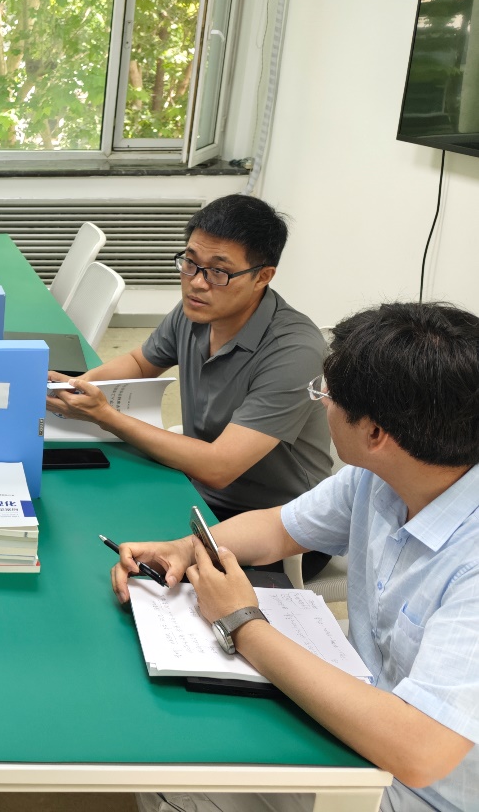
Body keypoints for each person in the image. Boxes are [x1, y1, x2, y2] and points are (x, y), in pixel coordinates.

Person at [116, 302, 479, 812]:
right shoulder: (384, 475)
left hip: (416, 792)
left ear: (376, 434)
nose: (321, 404)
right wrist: (184, 547)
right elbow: (277, 528)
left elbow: (421, 753)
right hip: (357, 721)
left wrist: (241, 622)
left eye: (326, 395)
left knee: (176, 771)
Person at [47, 194, 332, 578]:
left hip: (276, 530)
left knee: (116, 570)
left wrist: (105, 416)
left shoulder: (294, 350)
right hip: (198, 495)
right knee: (80, 522)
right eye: (190, 263)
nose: (197, 282)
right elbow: (140, 362)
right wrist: (73, 386)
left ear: (263, 276)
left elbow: (219, 467)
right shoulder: (196, 311)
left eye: (219, 272)